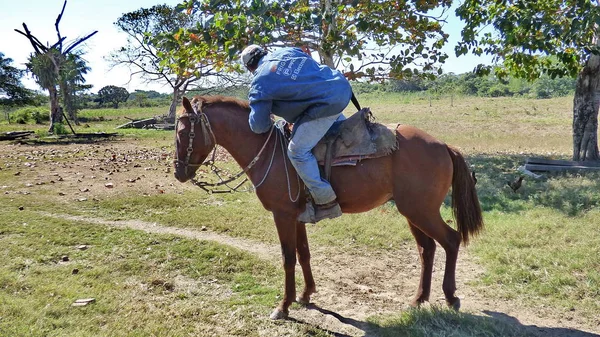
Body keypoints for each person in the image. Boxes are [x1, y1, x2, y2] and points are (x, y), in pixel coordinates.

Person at [241, 45, 352, 223]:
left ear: (250, 68)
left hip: (326, 105)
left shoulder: (260, 81)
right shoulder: (287, 51)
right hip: (341, 88)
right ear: (264, 52)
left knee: (297, 151)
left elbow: (259, 126)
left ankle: (325, 201)